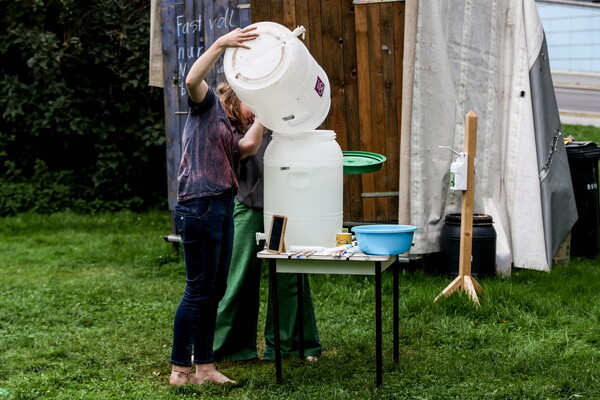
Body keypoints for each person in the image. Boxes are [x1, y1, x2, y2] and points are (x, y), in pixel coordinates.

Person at [169, 26, 265, 386]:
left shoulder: (230, 128)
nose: (253, 117)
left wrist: (268, 110)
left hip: (221, 207)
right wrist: (222, 43)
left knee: (215, 290)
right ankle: (180, 369)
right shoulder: (207, 106)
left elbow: (249, 147)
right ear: (236, 96)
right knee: (197, 289)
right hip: (199, 206)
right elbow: (194, 78)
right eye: (252, 107)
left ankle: (205, 367)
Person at [212, 85, 321, 363]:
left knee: (289, 276)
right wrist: (263, 115)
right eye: (253, 107)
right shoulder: (226, 125)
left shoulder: (279, 117)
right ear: (238, 101)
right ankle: (229, 349)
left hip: (283, 207)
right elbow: (245, 149)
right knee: (238, 278)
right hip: (246, 207)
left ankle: (292, 346)